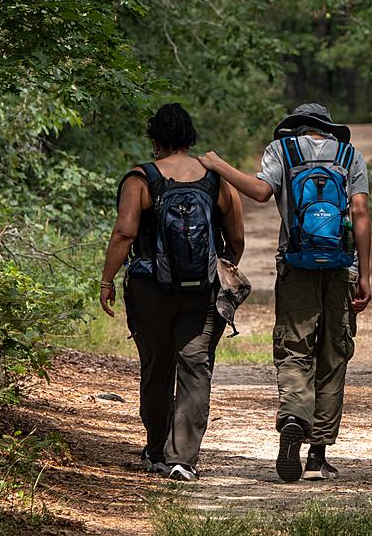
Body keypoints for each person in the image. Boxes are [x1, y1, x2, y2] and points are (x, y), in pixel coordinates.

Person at [199, 103, 372, 483]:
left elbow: (261, 192)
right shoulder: (350, 155)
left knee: (296, 349)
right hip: (342, 266)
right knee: (333, 353)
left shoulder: (283, 151)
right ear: (328, 129)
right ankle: (318, 456)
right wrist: (365, 276)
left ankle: (294, 416)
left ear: (294, 128)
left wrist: (218, 165)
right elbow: (360, 213)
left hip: (296, 264)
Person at [99, 103, 245, 482]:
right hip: (202, 291)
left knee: (157, 366)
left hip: (150, 288)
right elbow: (237, 238)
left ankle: (155, 449)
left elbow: (125, 233)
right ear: (190, 137)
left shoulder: (140, 178)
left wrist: (107, 280)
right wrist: (217, 264)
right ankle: (183, 458)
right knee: (195, 368)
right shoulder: (215, 179)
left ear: (155, 139)